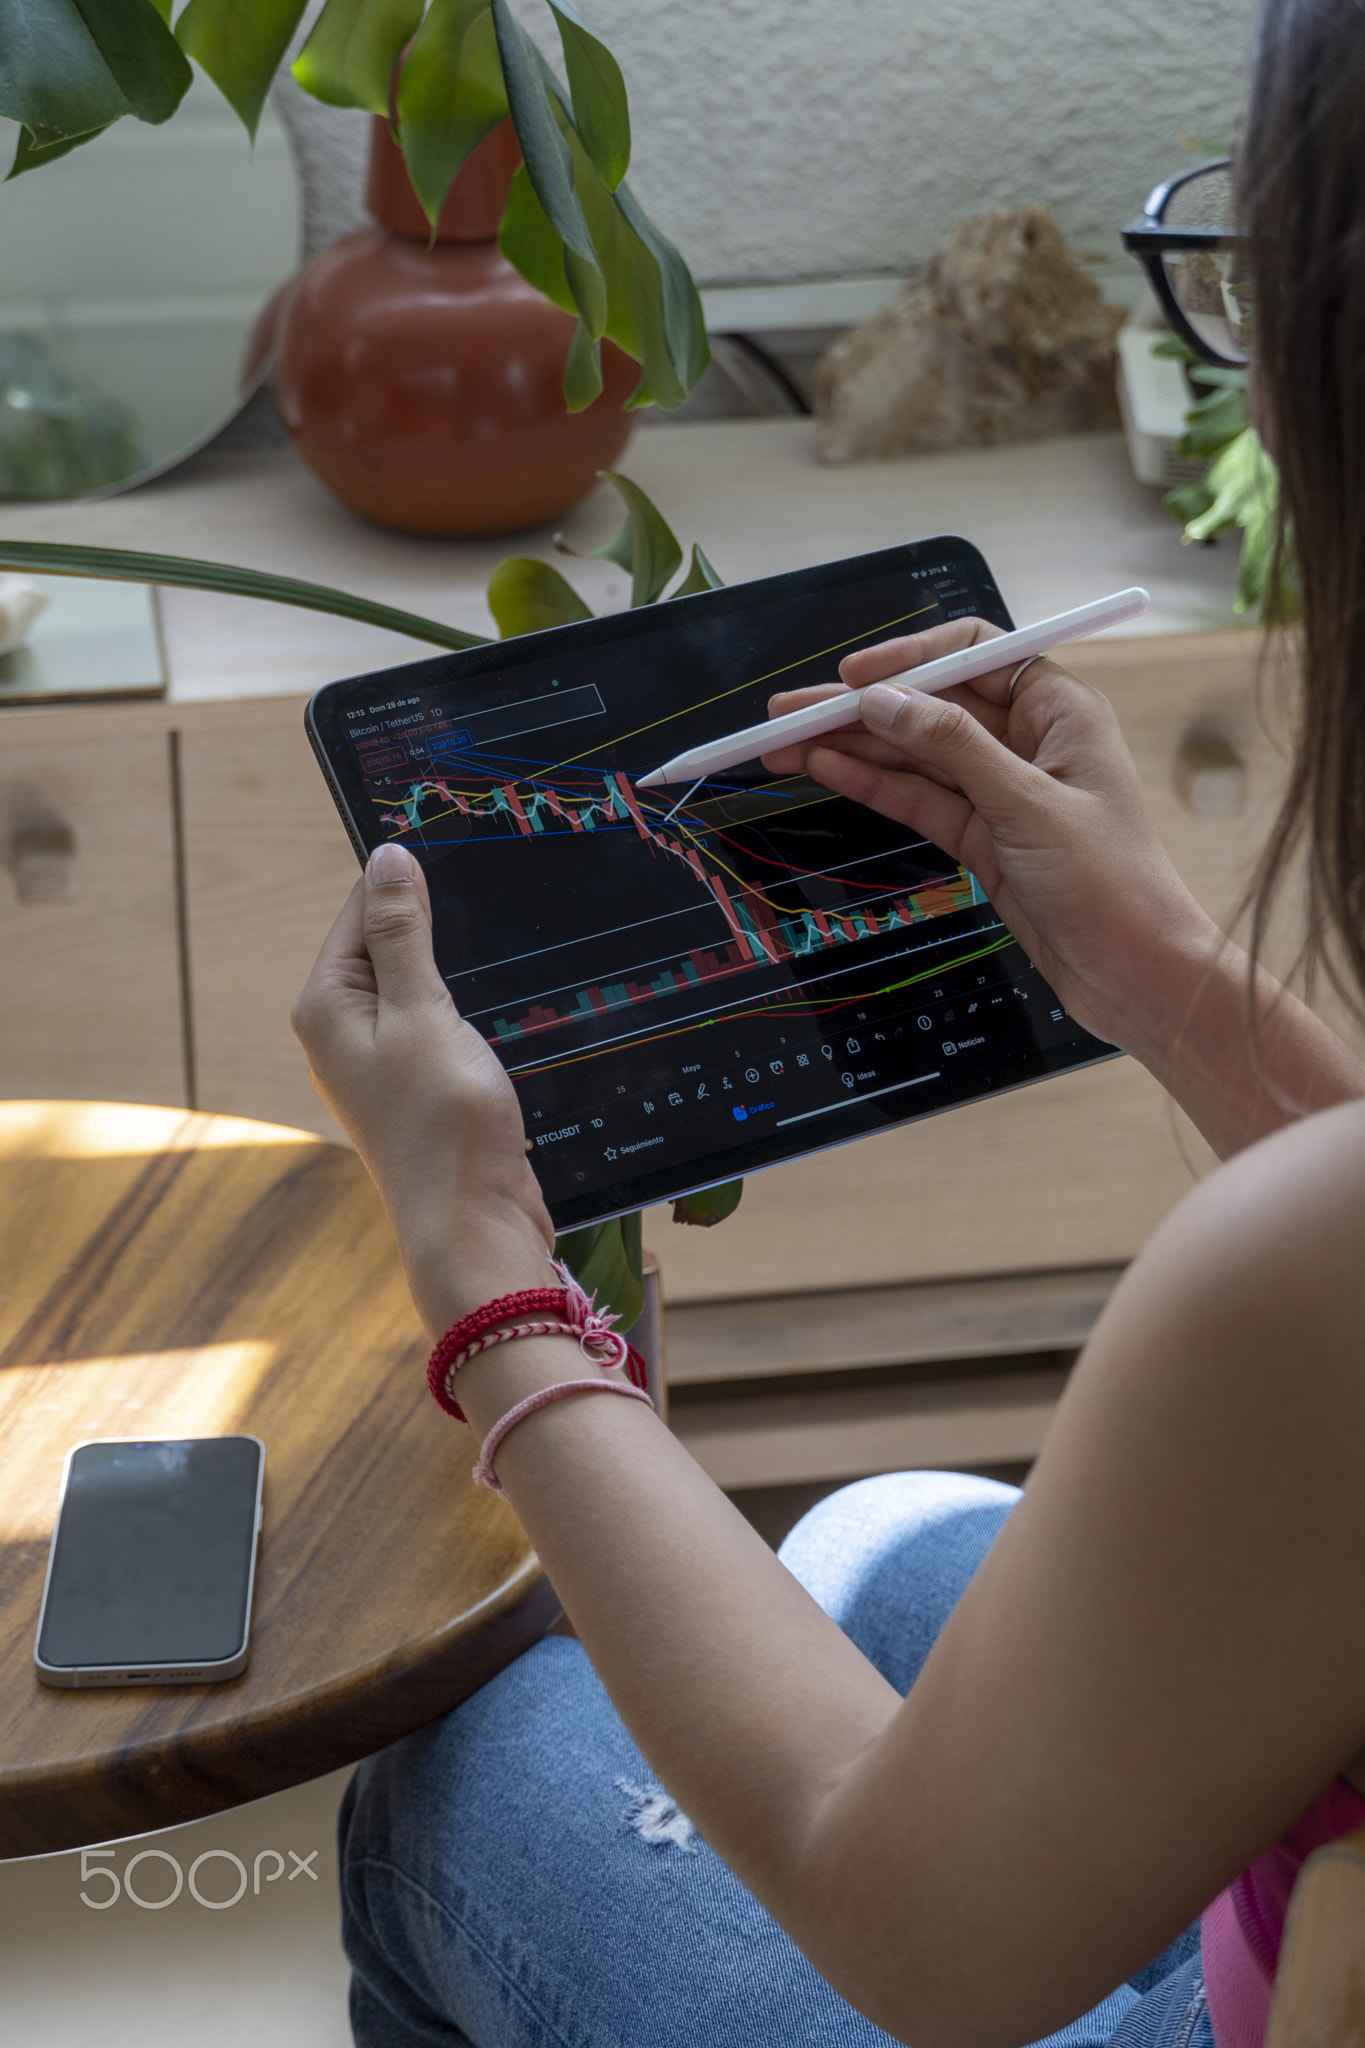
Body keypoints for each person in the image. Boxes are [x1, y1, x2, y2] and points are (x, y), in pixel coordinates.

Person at [289, 2, 1365, 2041]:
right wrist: (1149, 968)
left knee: (458, 1766)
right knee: (878, 1540)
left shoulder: (1298, 1289)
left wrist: (491, 1277)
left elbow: (927, 1940)